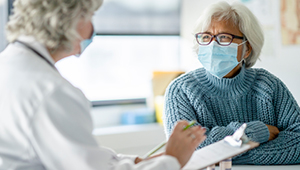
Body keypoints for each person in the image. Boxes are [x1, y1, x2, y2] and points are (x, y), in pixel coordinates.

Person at [0, 0, 207, 169]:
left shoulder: (10, 66)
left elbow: (82, 155)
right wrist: (172, 159)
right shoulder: (51, 91)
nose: (92, 29)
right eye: (89, 18)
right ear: (68, 21)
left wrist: (139, 162)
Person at [163, 1, 300, 165]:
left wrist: (227, 154)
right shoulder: (181, 90)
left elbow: (297, 141)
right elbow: (187, 152)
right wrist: (254, 132)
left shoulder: (269, 86)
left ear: (246, 48)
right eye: (206, 36)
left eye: (224, 37)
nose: (213, 45)